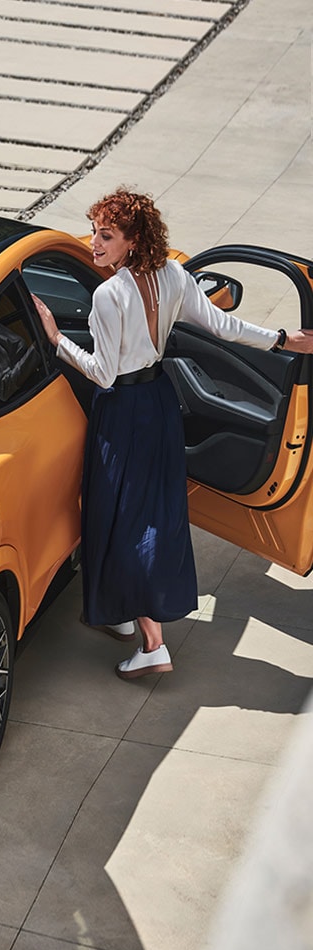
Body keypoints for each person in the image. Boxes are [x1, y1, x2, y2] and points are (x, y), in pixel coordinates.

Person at [32, 188, 313, 679]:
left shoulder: (107, 294)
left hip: (121, 411)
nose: (94, 244)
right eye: (95, 231)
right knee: (152, 510)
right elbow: (222, 327)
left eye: (107, 236)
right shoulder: (175, 276)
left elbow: (102, 373)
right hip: (159, 403)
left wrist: (57, 340)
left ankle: (153, 643)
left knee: (121, 516)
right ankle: (119, 615)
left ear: (132, 241)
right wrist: (282, 339)